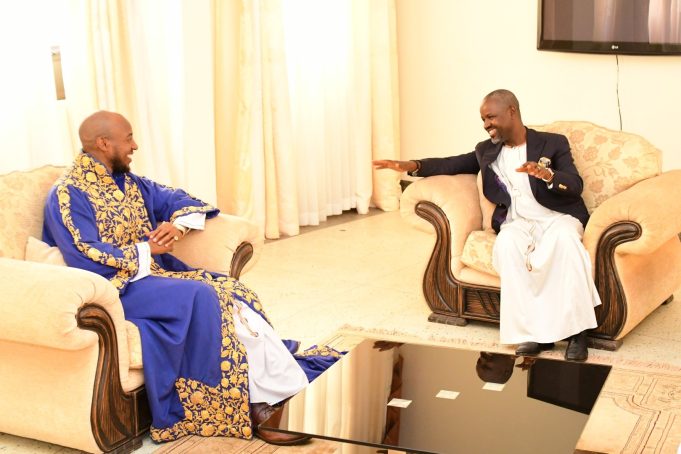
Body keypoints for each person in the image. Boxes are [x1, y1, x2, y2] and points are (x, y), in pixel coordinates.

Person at [43, 111, 342, 445]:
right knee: (202, 295)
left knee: (231, 290)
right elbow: (83, 252)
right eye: (128, 138)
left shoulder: (130, 182)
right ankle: (250, 405)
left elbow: (186, 201)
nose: (135, 145)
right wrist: (147, 249)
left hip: (153, 275)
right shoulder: (68, 194)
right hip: (115, 287)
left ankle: (278, 388)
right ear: (103, 143)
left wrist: (177, 226)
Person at [373, 89, 601, 362]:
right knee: (506, 246)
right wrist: (411, 165)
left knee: (565, 242)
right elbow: (452, 163)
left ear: (512, 111)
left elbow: (575, 185)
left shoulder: (552, 143)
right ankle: (533, 332)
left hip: (557, 217)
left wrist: (548, 175)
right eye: (483, 119)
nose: (486, 124)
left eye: (491, 117)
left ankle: (577, 333)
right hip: (518, 222)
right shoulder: (486, 150)